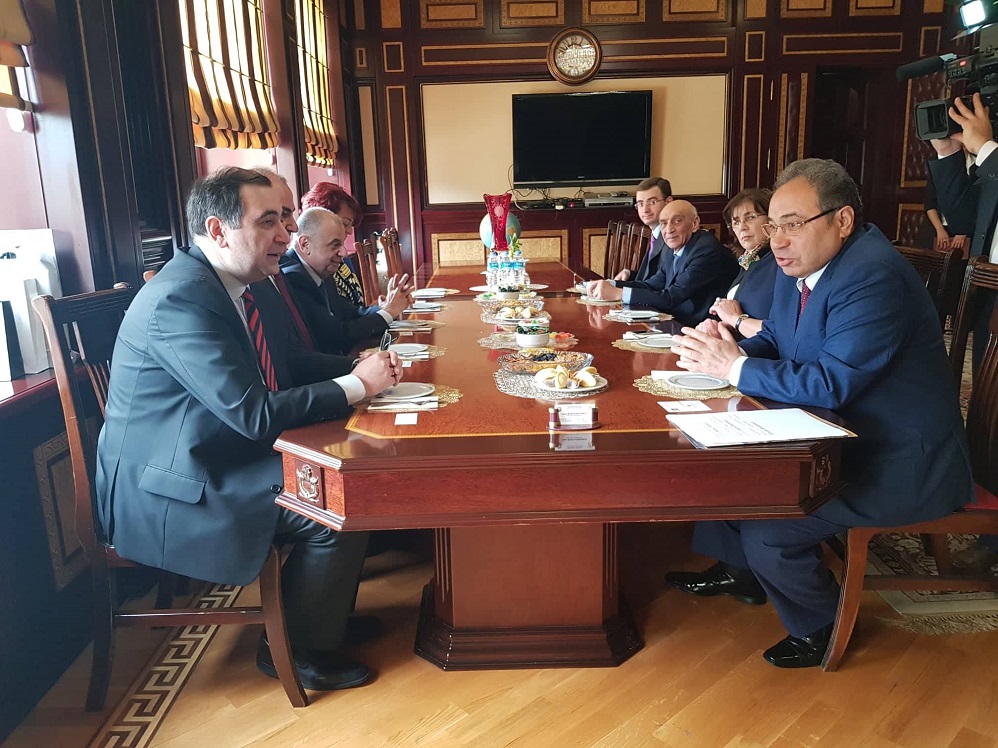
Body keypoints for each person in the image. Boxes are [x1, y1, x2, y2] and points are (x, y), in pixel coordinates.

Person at [95, 167, 403, 690]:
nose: (285, 234)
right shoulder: (180, 298)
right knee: (336, 495)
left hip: (216, 454)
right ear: (218, 231)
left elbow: (288, 363)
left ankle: (321, 618)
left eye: (284, 220)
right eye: (268, 222)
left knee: (353, 470)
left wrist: (359, 369)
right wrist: (356, 386)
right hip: (171, 488)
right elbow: (252, 414)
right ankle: (295, 649)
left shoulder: (241, 284)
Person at [666, 158, 973, 668]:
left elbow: (831, 383)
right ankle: (741, 573)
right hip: (840, 434)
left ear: (843, 220)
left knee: (770, 529)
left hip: (897, 460)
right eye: (773, 226)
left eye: (792, 224)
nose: (778, 241)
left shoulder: (873, 277)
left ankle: (824, 626)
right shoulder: (804, 267)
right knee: (725, 470)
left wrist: (735, 368)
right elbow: (776, 338)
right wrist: (725, 350)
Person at [281, 207, 411, 356]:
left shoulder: (321, 268)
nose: (343, 253)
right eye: (335, 245)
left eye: (342, 244)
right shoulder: (293, 277)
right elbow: (336, 335)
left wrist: (385, 307)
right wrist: (388, 312)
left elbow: (350, 312)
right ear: (305, 244)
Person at [586, 199, 739, 325]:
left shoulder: (706, 250)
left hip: (700, 327)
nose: (669, 230)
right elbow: (651, 285)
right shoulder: (675, 247)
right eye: (664, 223)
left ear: (695, 223)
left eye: (677, 221)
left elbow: (671, 298)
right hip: (675, 320)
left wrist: (618, 293)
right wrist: (610, 284)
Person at [697, 188, 777, 340]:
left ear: (771, 220)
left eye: (750, 217)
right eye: (736, 222)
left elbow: (778, 333)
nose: (742, 227)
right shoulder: (748, 261)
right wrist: (716, 325)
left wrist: (735, 319)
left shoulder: (778, 262)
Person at [300, 182, 377, 310]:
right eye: (345, 223)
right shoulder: (316, 268)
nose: (350, 231)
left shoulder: (340, 259)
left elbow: (354, 309)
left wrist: (383, 310)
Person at [614, 176, 674, 283]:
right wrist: (629, 274)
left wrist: (618, 289)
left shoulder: (673, 238)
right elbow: (653, 276)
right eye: (641, 204)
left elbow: (663, 284)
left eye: (652, 202)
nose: (645, 210)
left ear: (668, 202)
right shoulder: (655, 235)